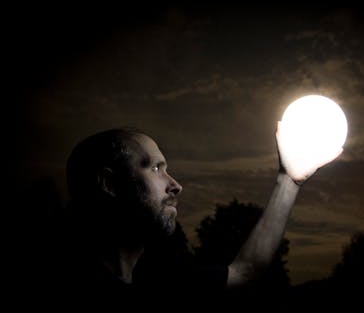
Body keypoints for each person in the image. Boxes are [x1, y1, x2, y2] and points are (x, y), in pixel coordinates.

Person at [53, 125, 342, 309]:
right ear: (110, 184)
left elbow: (245, 272)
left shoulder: (164, 286)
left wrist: (288, 180)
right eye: (155, 168)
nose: (176, 185)